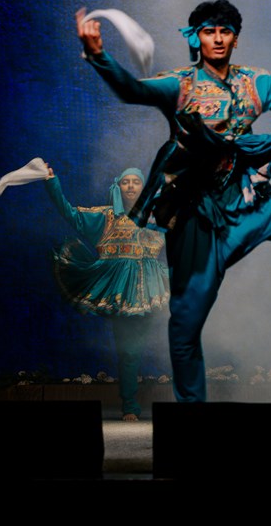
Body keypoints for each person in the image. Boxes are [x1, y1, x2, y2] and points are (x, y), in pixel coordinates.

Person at [76, 0, 271, 403]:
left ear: (236, 39)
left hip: (247, 198)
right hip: (197, 215)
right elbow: (133, 91)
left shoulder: (255, 83)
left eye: (225, 32)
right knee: (185, 323)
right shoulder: (180, 84)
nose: (217, 39)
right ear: (196, 38)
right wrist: (98, 55)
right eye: (209, 31)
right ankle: (192, 418)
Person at [42, 165, 168, 420]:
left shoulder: (158, 216)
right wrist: (52, 182)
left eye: (136, 182)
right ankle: (130, 405)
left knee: (162, 345)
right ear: (118, 187)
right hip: (122, 293)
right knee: (129, 351)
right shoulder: (107, 216)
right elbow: (69, 213)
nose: (130, 186)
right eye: (125, 182)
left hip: (154, 290)